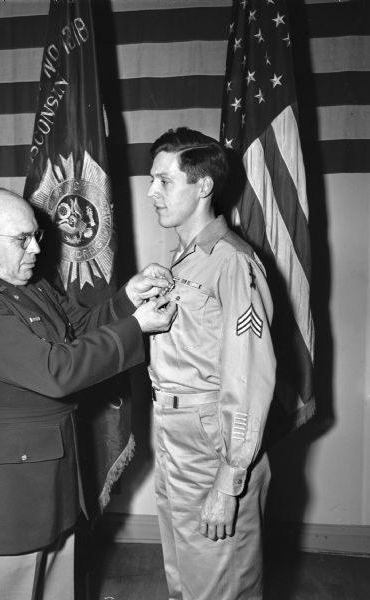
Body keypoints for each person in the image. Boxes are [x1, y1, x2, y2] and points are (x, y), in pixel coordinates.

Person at [0, 186, 177, 600]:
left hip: (53, 472)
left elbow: (74, 328)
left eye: (36, 236)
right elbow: (55, 370)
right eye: (21, 239)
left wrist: (126, 302)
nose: (35, 247)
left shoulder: (26, 284)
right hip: (6, 490)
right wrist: (136, 328)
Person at [147, 128, 276, 600]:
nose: (151, 192)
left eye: (164, 181)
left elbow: (248, 376)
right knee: (185, 576)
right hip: (176, 433)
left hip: (214, 445)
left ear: (203, 186)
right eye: (152, 180)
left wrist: (230, 475)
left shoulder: (231, 263)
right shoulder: (186, 260)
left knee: (220, 584)